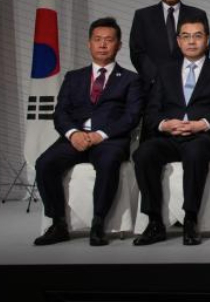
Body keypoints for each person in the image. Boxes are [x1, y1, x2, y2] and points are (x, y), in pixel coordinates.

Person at [34, 18, 142, 246]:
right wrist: (73, 134)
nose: (102, 45)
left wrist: (100, 135)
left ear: (118, 45)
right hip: (75, 138)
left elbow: (131, 116)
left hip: (110, 140)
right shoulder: (74, 77)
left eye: (109, 40)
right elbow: (60, 113)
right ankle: (58, 224)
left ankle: (98, 224)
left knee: (108, 163)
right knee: (44, 163)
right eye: (97, 39)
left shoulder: (131, 79)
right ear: (89, 43)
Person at [132, 19, 210, 246]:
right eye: (186, 36)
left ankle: (190, 219)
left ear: (207, 41)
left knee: (194, 151)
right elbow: (151, 112)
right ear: (179, 41)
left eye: (198, 36)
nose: (192, 41)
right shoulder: (165, 71)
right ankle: (154, 222)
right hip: (170, 137)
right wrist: (166, 124)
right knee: (144, 153)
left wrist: (202, 124)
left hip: (205, 137)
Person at [128, 0, 208, 104]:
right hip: (153, 88)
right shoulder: (143, 16)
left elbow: (203, 48)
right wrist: (157, 78)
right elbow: (137, 52)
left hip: (189, 85)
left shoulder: (197, 14)